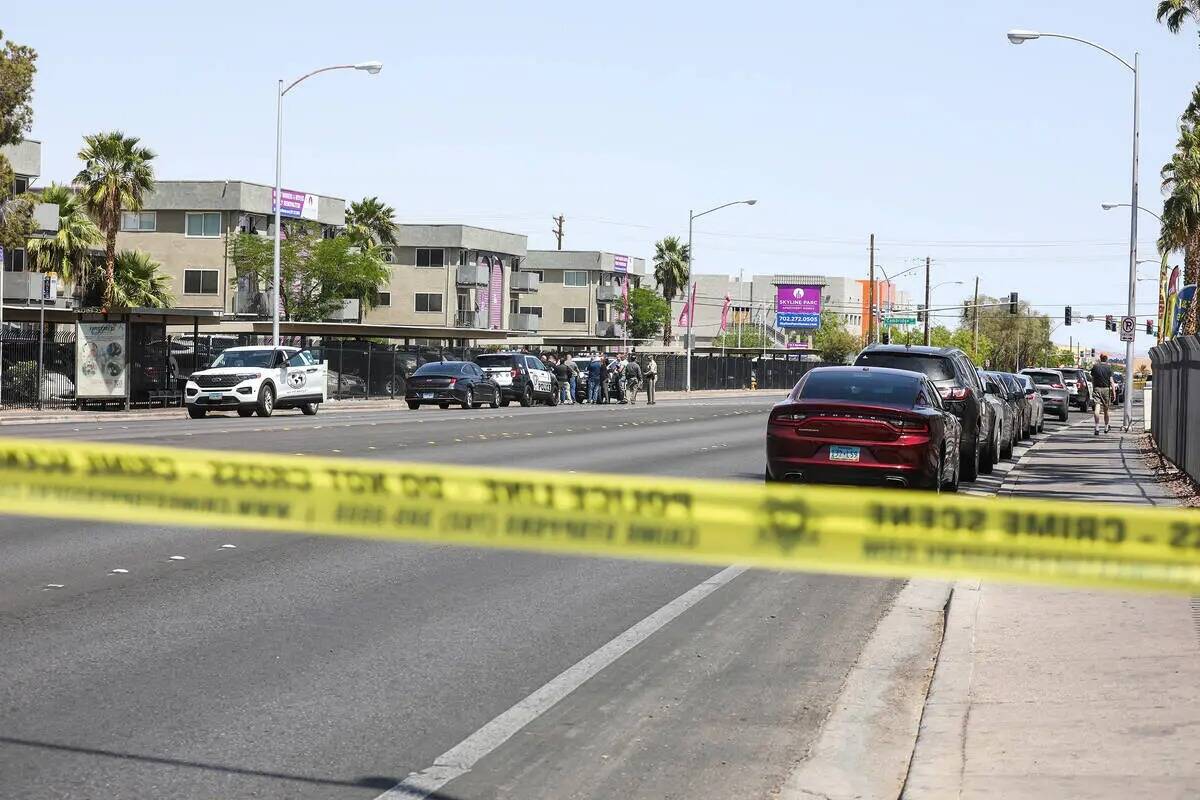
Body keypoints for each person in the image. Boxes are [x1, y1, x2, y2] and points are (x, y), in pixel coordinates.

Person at [1090, 353, 1115, 435]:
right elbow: (1111, 381)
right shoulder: (1109, 368)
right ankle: (1106, 426)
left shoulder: (1095, 367)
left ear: (1100, 358)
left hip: (1097, 388)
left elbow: (1093, 379)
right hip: (1106, 390)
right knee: (1106, 409)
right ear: (1106, 358)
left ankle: (1097, 427)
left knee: (1097, 407)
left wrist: (1094, 388)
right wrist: (1114, 392)